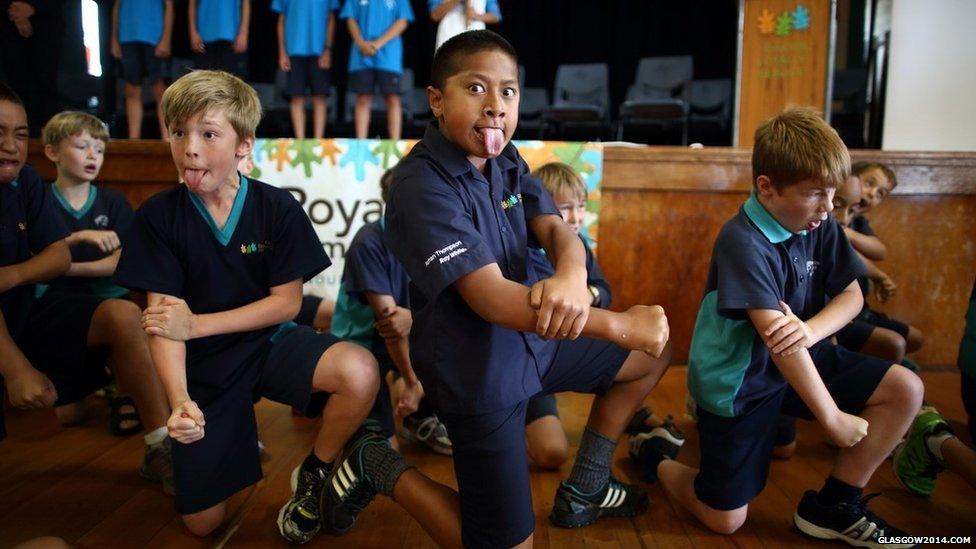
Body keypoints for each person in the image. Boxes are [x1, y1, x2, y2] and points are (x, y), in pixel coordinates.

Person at [316, 31, 673, 548]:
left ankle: (589, 485)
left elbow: (553, 227)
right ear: (436, 100)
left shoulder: (506, 160)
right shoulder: (421, 187)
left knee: (651, 356)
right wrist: (616, 324)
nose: (495, 107)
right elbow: (491, 299)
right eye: (476, 88)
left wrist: (572, 276)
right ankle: (380, 466)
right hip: (478, 373)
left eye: (508, 92)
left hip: (537, 341)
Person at [112, 70, 380, 544]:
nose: (189, 147)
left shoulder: (275, 208)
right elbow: (164, 324)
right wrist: (179, 404)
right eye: (179, 132)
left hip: (267, 343)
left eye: (208, 133)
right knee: (203, 524)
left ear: (244, 145)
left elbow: (287, 304)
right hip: (205, 369)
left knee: (359, 371)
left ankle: (315, 471)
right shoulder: (157, 216)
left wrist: (196, 323)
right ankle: (208, 442)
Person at [636, 106, 922, 547]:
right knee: (724, 520)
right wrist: (830, 419)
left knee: (905, 389)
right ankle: (656, 453)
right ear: (766, 188)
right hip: (740, 380)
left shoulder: (815, 220)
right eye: (815, 194)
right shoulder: (742, 240)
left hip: (799, 355)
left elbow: (853, 295)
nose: (829, 208)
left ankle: (834, 505)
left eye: (831, 193)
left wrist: (810, 331)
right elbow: (778, 344)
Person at [0, 86, 173, 493]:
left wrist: (11, 275)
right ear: (54, 152)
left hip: (33, 309)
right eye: (0, 132)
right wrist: (16, 368)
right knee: (66, 414)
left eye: (20, 134)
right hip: (25, 320)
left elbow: (57, 258)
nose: (10, 145)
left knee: (124, 314)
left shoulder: (26, 183)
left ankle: (160, 444)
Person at [528, 161, 684, 469]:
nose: (575, 217)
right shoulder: (528, 252)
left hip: (579, 342)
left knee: (639, 356)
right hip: (538, 358)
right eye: (565, 208)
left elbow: (603, 288)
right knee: (552, 453)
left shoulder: (580, 246)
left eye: (581, 206)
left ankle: (628, 415)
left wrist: (586, 295)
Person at [835, 162, 924, 365]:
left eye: (881, 193)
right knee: (893, 345)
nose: (873, 193)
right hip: (841, 311)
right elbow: (852, 257)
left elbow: (880, 251)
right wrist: (880, 276)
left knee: (915, 339)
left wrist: (848, 232)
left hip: (860, 308)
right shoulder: (828, 218)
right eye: (869, 183)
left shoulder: (856, 222)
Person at [340, 0, 414, 140]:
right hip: (361, 52)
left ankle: (394, 143)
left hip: (389, 53)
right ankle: (361, 143)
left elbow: (403, 21)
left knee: (392, 97)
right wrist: (360, 43)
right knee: (363, 97)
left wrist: (378, 43)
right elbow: (350, 18)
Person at [272, 0, 338, 139]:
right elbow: (281, 20)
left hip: (319, 50)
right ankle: (300, 140)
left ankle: (318, 140)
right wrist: (282, 52)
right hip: (294, 49)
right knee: (296, 97)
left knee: (320, 96)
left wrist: (328, 49)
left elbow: (331, 18)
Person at [111, 0, 173, 139]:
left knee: (160, 90)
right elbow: (117, 6)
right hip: (127, 36)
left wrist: (166, 38)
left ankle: (167, 139)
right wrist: (114, 39)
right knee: (131, 89)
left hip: (154, 37)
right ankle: (134, 140)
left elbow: (168, 5)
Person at [188, 0, 250, 77]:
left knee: (233, 82)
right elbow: (192, 3)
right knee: (203, 83)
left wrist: (243, 33)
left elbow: (246, 2)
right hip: (204, 36)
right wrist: (193, 32)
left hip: (232, 35)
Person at [429, 0, 501, 50]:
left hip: (476, 36)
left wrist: (476, 16)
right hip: (448, 37)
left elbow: (496, 16)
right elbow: (435, 15)